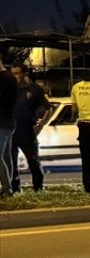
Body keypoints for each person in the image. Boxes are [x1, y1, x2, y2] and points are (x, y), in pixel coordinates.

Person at [9, 64, 51, 192]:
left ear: (24, 74)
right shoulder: (9, 90)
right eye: (12, 73)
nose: (14, 76)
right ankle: (15, 189)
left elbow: (48, 108)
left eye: (17, 73)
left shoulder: (34, 89)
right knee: (11, 162)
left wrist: (41, 125)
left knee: (33, 161)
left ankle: (38, 188)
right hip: (11, 130)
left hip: (27, 131)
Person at [0, 58, 17, 198]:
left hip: (3, 122)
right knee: (5, 157)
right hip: (7, 121)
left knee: (2, 157)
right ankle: (9, 187)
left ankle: (7, 189)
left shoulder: (5, 78)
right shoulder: (8, 77)